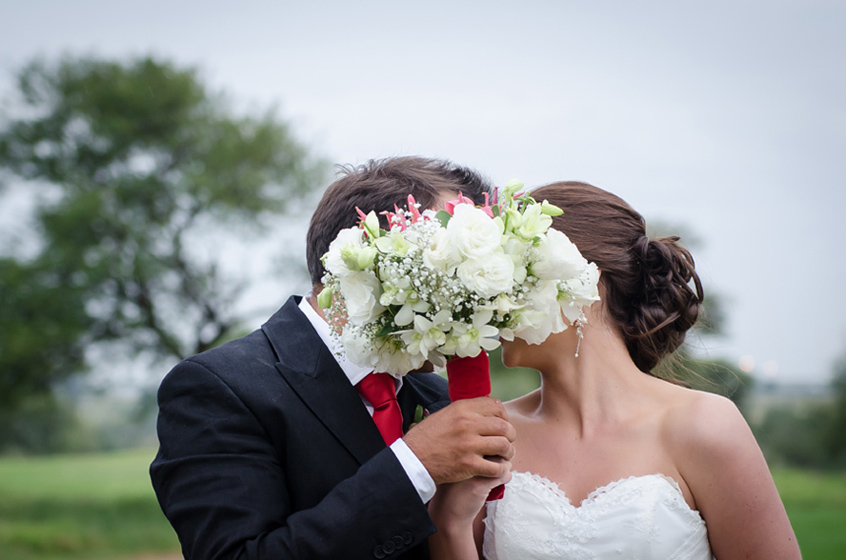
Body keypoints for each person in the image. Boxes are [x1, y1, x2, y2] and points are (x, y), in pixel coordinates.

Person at [150, 156, 516, 560]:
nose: (472, 299)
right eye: (453, 269)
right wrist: (414, 465)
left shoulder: (433, 395)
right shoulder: (217, 388)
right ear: (364, 263)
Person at [428, 181, 801, 560]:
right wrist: (452, 524)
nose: (490, 304)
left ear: (585, 282)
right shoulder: (488, 437)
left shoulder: (705, 425)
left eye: (510, 277)